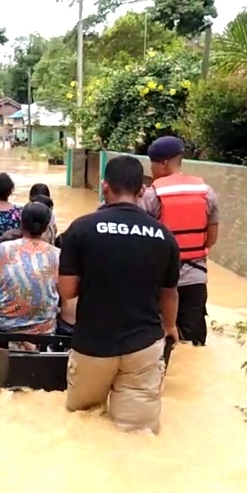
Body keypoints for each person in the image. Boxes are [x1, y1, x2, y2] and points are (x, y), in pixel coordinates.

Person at [57, 155, 180, 434]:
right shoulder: (164, 236)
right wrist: (170, 327)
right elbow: (170, 294)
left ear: (104, 186)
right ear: (142, 190)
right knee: (137, 434)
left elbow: (67, 290)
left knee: (82, 426)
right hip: (143, 346)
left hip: (93, 344)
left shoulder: (81, 229)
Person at [140, 136, 220, 347]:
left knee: (159, 341)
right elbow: (211, 238)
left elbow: (141, 239)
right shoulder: (206, 192)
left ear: (163, 163)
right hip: (195, 279)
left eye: (153, 164)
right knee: (193, 345)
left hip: (161, 282)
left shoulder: (152, 195)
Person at [0, 202, 61, 348]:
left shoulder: (4, 248)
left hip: (4, 321)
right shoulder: (57, 254)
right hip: (44, 325)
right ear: (47, 226)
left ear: (21, 222)